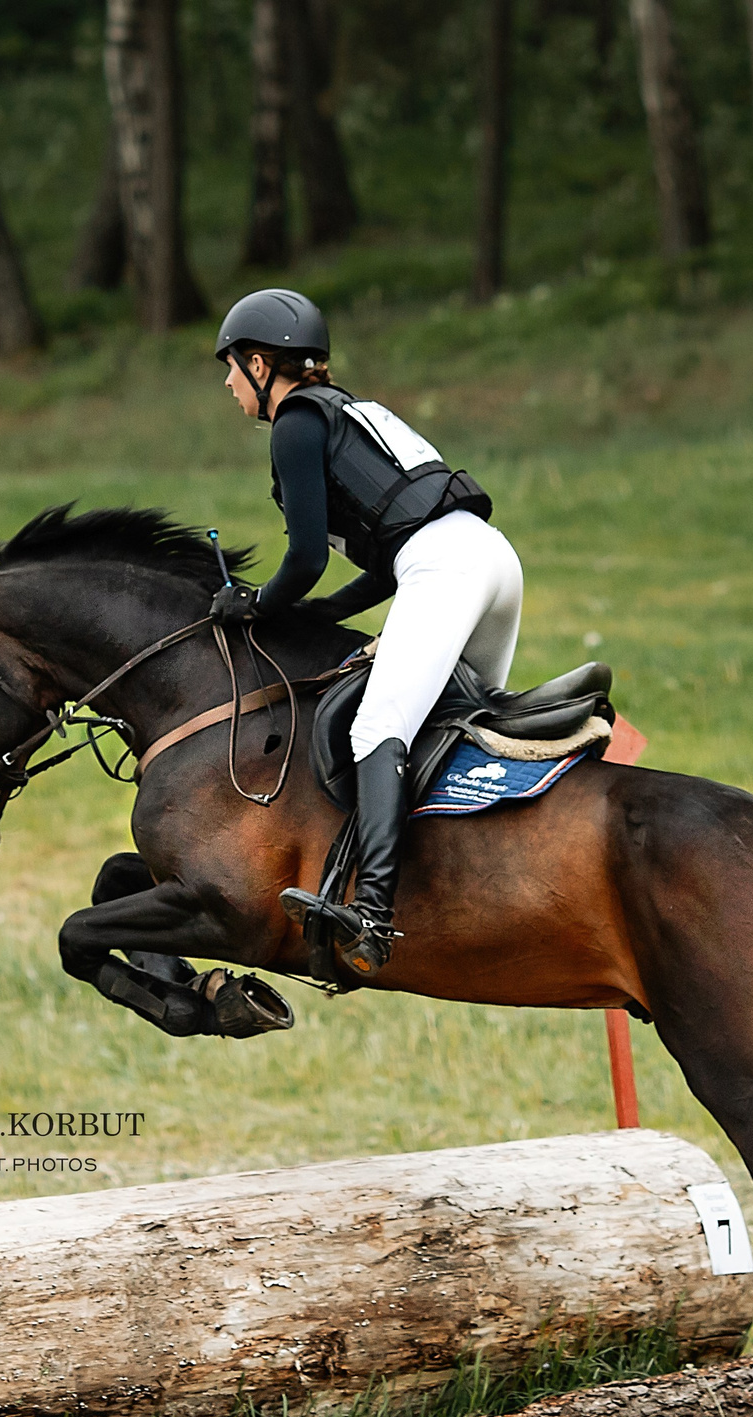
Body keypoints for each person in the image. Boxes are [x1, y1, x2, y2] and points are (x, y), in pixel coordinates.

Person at [206, 287, 524, 977]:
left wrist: (255, 604)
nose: (228, 383)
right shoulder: (352, 411)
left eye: (231, 366)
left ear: (262, 364)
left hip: (443, 567)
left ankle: (373, 914)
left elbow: (306, 557)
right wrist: (317, 615)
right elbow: (383, 567)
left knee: (376, 726)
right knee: (451, 730)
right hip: (491, 560)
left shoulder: (295, 419)